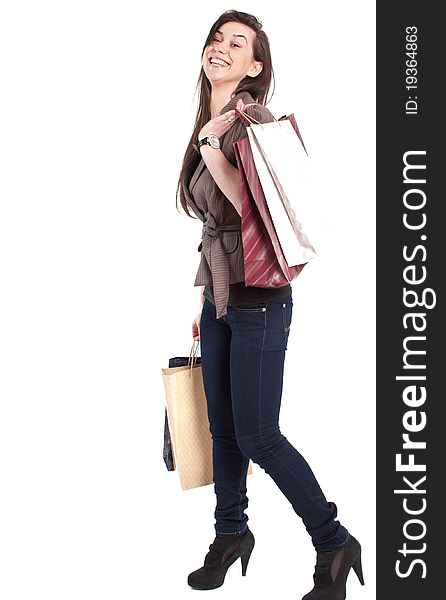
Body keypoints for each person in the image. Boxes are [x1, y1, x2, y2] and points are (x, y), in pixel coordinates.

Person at [176, 10, 364, 600]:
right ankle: (230, 533)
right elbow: (211, 226)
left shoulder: (250, 119)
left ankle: (333, 540)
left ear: (256, 66)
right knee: (224, 429)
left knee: (259, 434)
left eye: (238, 43)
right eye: (216, 38)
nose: (221, 48)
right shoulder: (206, 118)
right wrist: (206, 299)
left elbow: (252, 212)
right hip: (223, 295)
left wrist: (213, 151)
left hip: (261, 299)